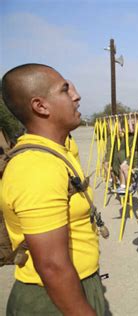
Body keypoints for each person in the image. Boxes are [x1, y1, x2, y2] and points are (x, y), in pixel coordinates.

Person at [1, 63, 105, 315]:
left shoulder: (59, 150)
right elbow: (52, 265)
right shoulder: (36, 167)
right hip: (52, 300)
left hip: (72, 287)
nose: (76, 96)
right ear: (40, 106)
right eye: (65, 90)